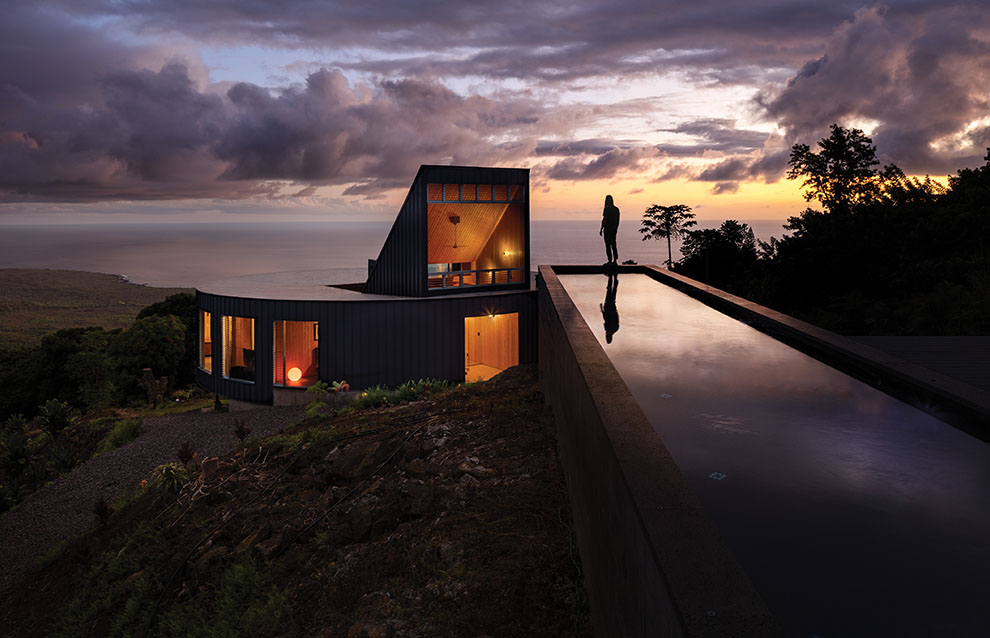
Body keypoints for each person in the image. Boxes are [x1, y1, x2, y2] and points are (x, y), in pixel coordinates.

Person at [599, 194, 620, 266]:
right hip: (609, 229)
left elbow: (606, 220)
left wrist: (602, 229)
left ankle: (612, 260)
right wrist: (601, 229)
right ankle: (612, 260)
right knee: (610, 245)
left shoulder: (612, 209)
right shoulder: (611, 209)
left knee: (611, 245)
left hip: (610, 229)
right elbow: (604, 220)